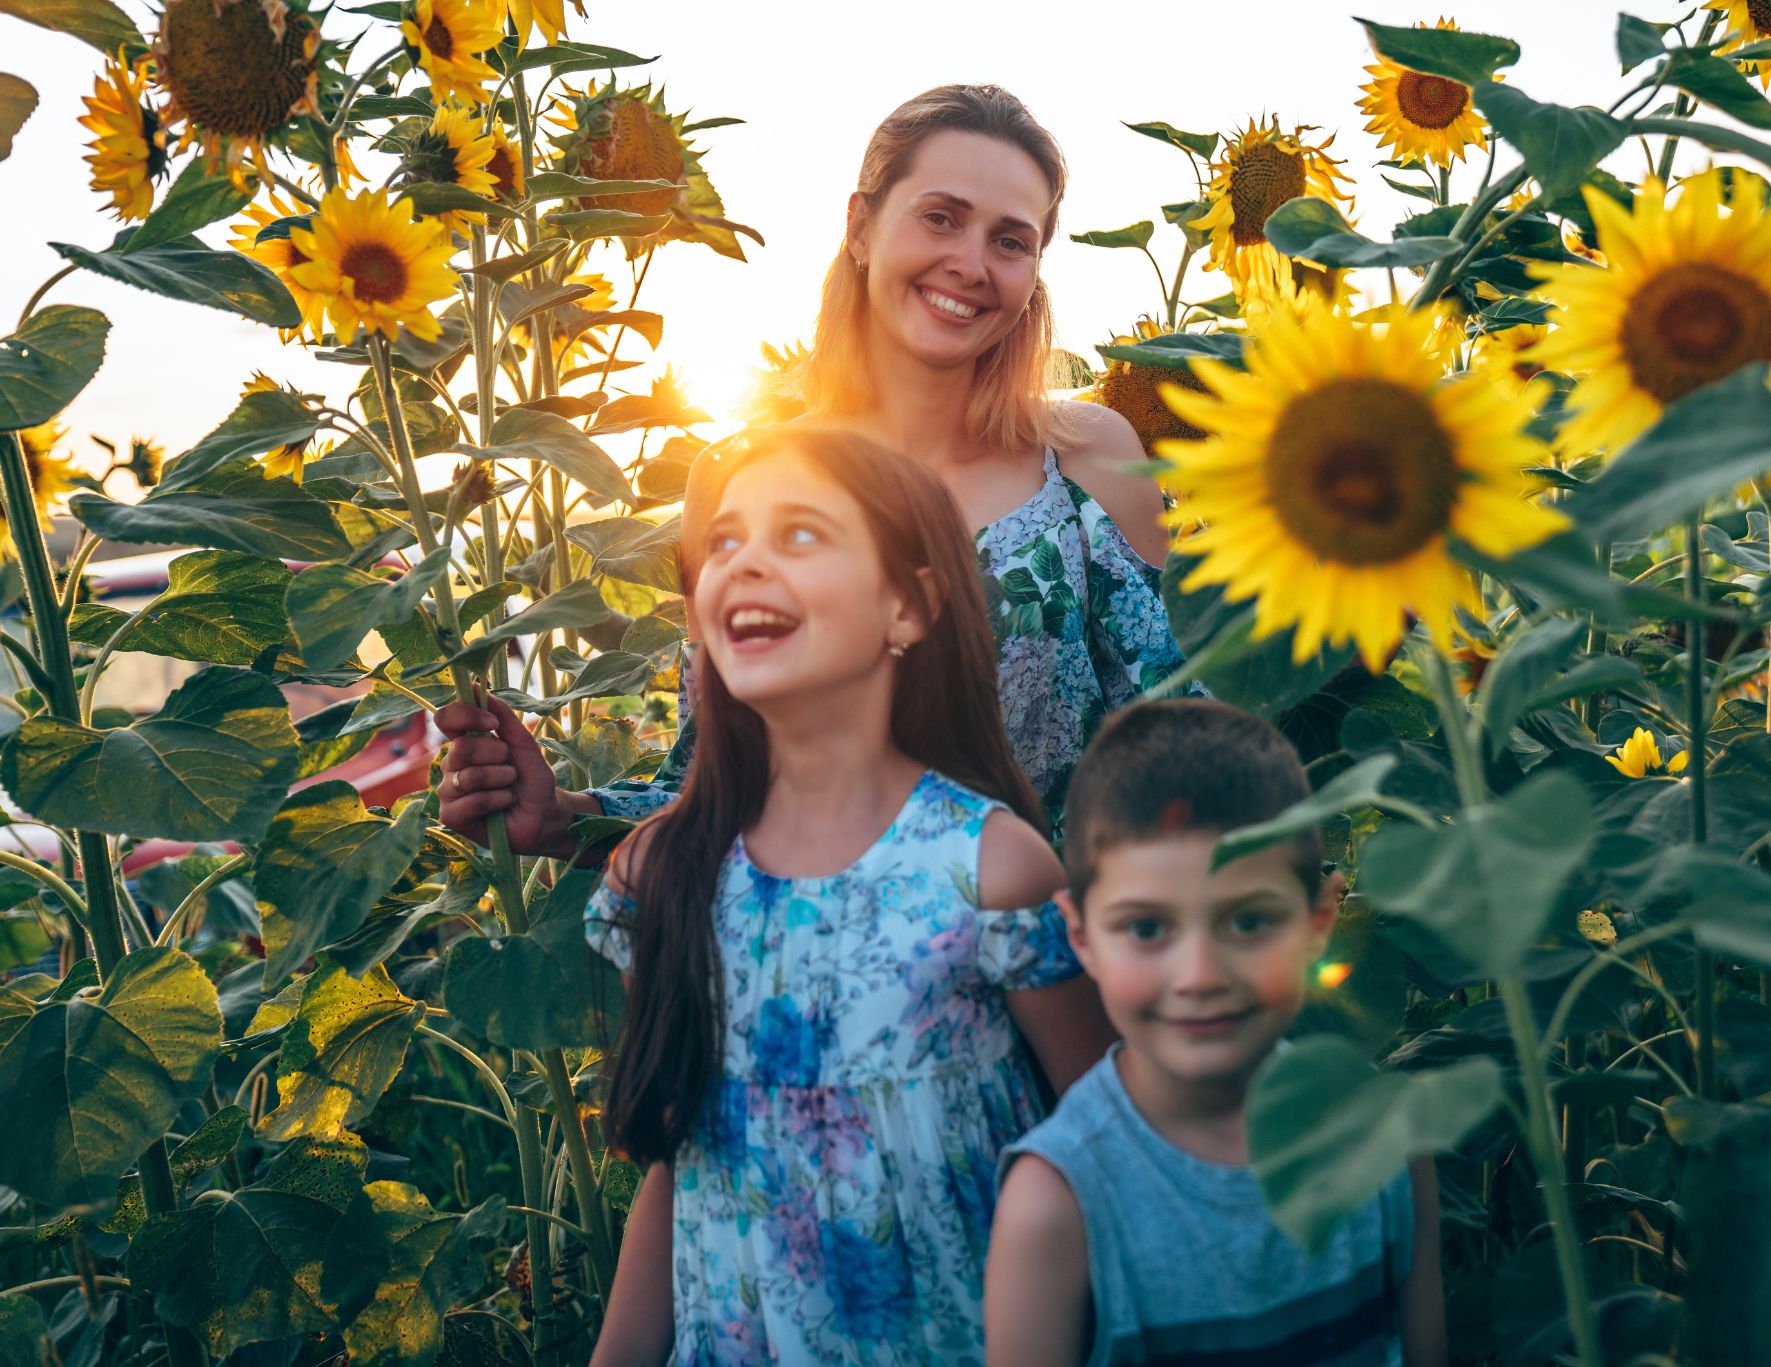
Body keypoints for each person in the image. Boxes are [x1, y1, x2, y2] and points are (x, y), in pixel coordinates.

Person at [434, 83, 1198, 849]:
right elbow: (716, 794)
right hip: (809, 964)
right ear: (860, 227)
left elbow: (1177, 751)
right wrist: (563, 816)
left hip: (1049, 951)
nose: (970, 263)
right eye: (941, 217)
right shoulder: (739, 484)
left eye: (1010, 240)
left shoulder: (1085, 458)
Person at [585, 427, 1117, 1367]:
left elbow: (1102, 1148)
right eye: (724, 541)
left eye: (798, 535)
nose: (745, 563)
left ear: (907, 606)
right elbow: (677, 1173)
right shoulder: (662, 874)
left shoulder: (990, 869)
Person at [984, 700, 1449, 1367]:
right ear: (1080, 935)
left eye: (1249, 921)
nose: (1199, 975)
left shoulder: (1391, 1141)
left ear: (1319, 920)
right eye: (1147, 927)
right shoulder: (1057, 1206)